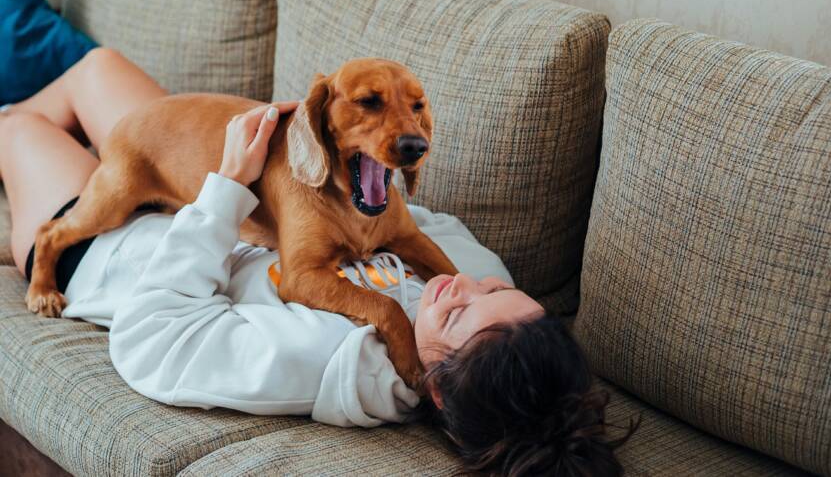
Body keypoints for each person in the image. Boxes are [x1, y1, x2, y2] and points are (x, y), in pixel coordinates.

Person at [0, 48, 633, 475]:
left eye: (468, 305)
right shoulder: (484, 305)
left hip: (112, 253)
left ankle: (36, 233)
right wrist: (303, 152)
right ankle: (91, 161)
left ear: (434, 387)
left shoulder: (325, 362)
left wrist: (226, 188)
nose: (469, 281)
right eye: (500, 288)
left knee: (18, 126)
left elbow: (152, 336)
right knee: (99, 67)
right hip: (208, 179)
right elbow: (420, 233)